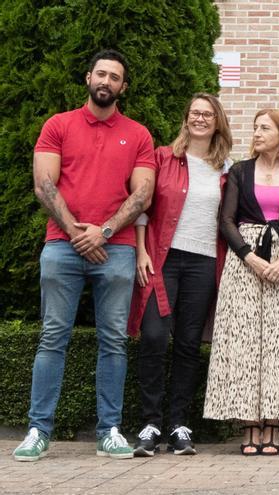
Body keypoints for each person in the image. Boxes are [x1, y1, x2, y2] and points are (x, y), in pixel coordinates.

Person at [14, 49, 156, 462]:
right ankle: (38, 430)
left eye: (115, 77)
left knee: (113, 341)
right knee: (52, 337)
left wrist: (105, 231)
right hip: (63, 246)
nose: (106, 81)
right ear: (88, 78)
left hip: (117, 250)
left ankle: (108, 431)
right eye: (101, 74)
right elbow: (44, 185)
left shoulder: (139, 134)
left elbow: (143, 192)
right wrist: (79, 232)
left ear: (123, 87)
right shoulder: (58, 125)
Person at [203, 109, 279, 456]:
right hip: (245, 264)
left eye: (264, 128)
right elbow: (226, 220)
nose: (256, 133)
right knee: (245, 341)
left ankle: (274, 424)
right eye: (255, 128)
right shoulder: (240, 170)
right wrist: (250, 256)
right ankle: (249, 425)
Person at [126, 93, 233, 457]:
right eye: (194, 113)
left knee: (189, 344)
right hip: (163, 258)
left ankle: (178, 425)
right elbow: (143, 205)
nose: (200, 119)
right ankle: (150, 423)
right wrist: (140, 249)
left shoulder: (226, 169)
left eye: (208, 114)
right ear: (186, 119)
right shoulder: (163, 157)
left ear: (217, 122)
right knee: (154, 336)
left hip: (204, 262)